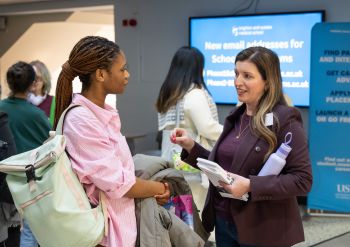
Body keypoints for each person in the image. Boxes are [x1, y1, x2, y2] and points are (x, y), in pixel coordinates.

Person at [171, 46, 312, 247]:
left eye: (247, 76)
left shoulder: (285, 120)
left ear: (268, 81)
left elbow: (302, 180)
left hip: (262, 229)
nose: (238, 82)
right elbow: (226, 167)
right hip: (224, 221)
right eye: (236, 74)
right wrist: (192, 147)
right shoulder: (236, 117)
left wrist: (250, 185)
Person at [53, 36, 170, 247]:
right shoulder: (81, 120)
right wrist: (158, 188)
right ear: (100, 74)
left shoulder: (99, 113)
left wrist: (153, 190)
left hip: (118, 228)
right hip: (102, 236)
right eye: (122, 69)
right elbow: (118, 184)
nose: (127, 75)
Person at [0, 61, 51, 247]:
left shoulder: (1, 109)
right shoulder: (36, 115)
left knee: (11, 234)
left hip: (4, 183)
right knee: (29, 232)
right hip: (29, 183)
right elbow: (51, 143)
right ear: (32, 84)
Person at [156, 46, 223, 161]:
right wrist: (232, 134)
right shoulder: (194, 93)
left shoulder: (168, 94)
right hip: (190, 161)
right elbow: (207, 128)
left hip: (169, 157)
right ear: (198, 68)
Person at [28, 60, 55, 127]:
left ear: (44, 78)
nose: (33, 81)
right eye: (30, 78)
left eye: (37, 78)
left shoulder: (54, 102)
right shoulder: (21, 102)